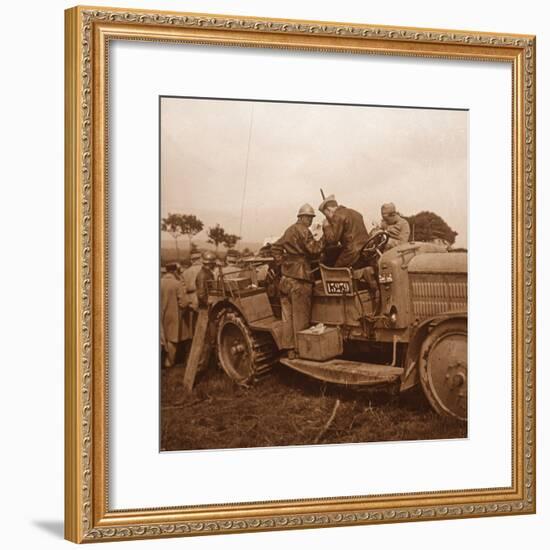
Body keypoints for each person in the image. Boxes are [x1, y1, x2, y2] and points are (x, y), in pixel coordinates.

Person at [275, 203, 325, 356]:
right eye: (309, 218)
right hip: (300, 279)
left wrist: (283, 263)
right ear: (302, 217)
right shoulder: (304, 231)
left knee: (287, 317)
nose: (310, 221)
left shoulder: (289, 230)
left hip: (285, 279)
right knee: (301, 317)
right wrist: (324, 238)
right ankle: (301, 351)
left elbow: (275, 247)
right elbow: (314, 249)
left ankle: (289, 350)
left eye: (311, 218)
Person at [318, 194, 370, 268]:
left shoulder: (337, 215)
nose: (329, 219)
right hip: (366, 250)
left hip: (352, 252)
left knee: (335, 271)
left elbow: (332, 240)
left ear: (328, 210)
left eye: (326, 215)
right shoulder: (355, 213)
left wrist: (326, 226)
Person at [160, 263, 190, 368]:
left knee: (162, 337)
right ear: (174, 272)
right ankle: (169, 362)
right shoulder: (176, 284)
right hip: (173, 314)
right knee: (172, 339)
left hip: (160, 313)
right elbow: (184, 302)